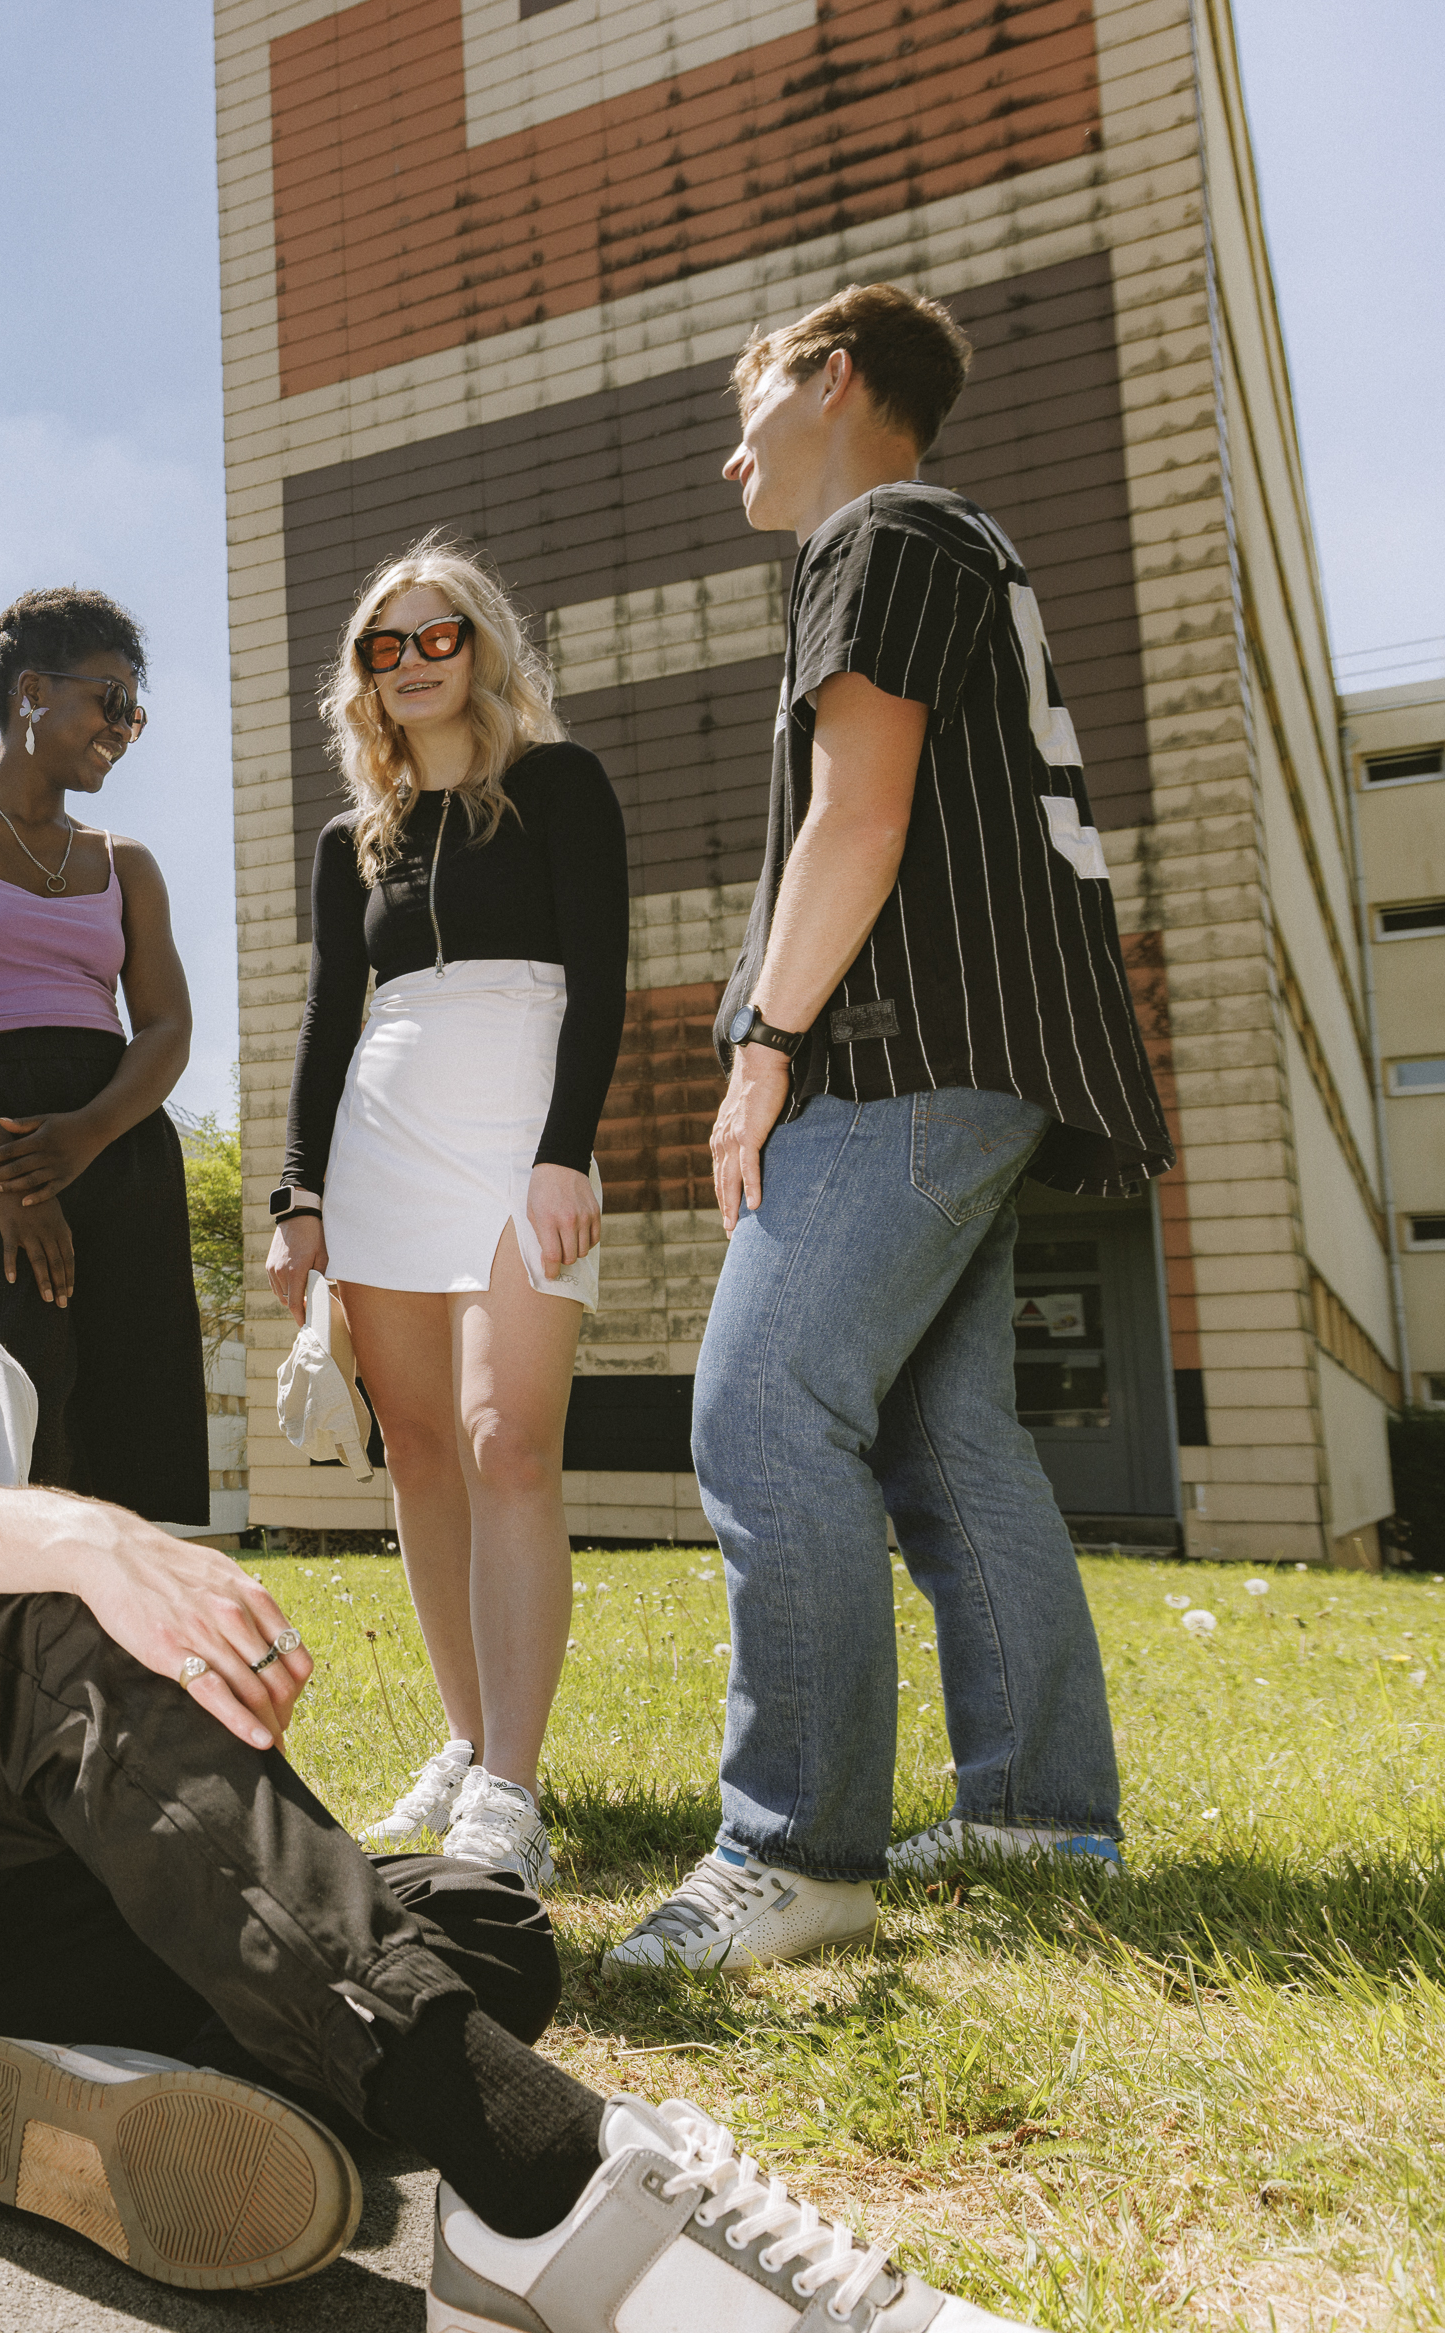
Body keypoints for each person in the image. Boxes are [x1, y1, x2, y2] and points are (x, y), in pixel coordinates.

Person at [0, 1014, 1044, 2328]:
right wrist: (96, 1544)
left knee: (478, 1916)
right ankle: (550, 2183)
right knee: (63, 1632)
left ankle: (80, 2087)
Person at [606, 284, 1171, 1973]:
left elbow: (858, 816)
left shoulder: (880, 534)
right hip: (986, 1054)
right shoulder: (960, 542)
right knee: (946, 1435)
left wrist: (765, 1044)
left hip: (901, 1054)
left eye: (748, 407)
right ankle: (1038, 1811)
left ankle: (795, 1850)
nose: (732, 456)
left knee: (763, 1406)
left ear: (832, 376)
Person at [263, 537, 626, 1891]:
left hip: (518, 1134)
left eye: (438, 636)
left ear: (481, 646)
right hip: (381, 1143)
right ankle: (469, 1746)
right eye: (386, 645)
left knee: (502, 1441)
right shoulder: (350, 839)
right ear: (361, 672)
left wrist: (562, 1154)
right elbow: (326, 1018)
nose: (412, 662)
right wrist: (300, 1193)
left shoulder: (559, 784)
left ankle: (514, 1794)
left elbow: (601, 978)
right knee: (417, 1448)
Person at [0, 587, 204, 1523]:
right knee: (4, 1392)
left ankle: (129, 1603)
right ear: (32, 692)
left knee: (131, 1401)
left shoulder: (126, 862)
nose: (124, 727)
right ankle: (2, 1600)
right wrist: (9, 1172)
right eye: (110, 698)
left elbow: (167, 1027)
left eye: (135, 711)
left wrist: (85, 1137)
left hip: (115, 1137)